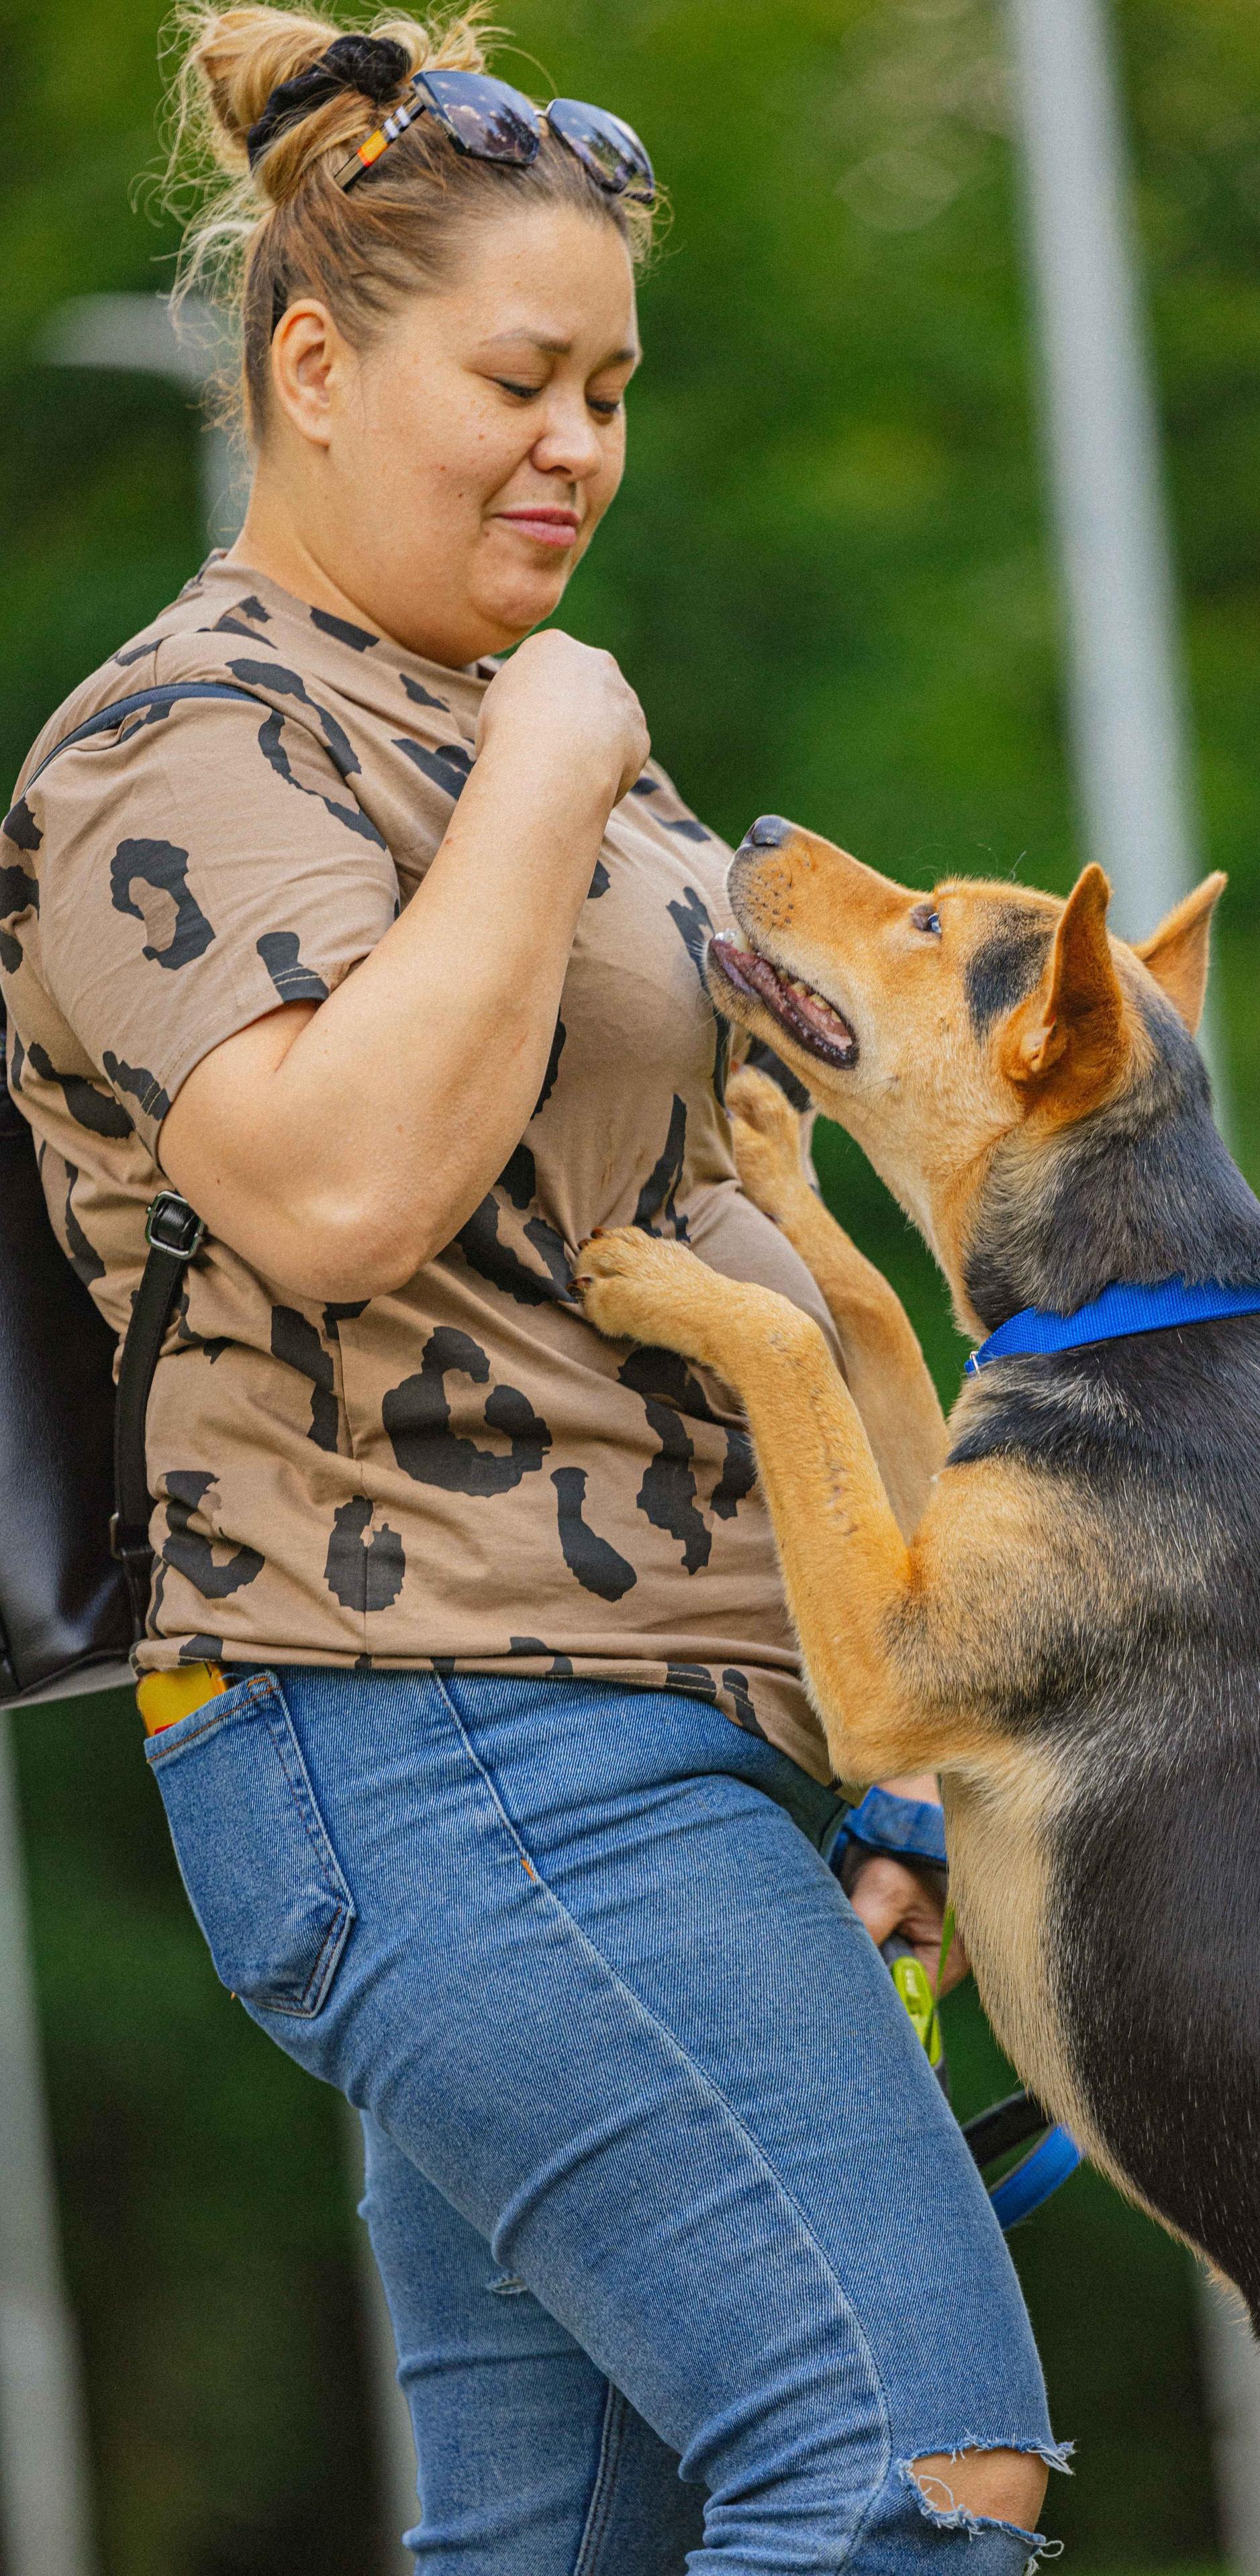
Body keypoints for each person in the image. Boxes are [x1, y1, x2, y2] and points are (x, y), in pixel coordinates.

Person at [1, 9, 1061, 2569]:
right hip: (445, 1741)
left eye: (610, 387)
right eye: (520, 379)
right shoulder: (183, 744)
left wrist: (903, 1748)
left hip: (680, 1743)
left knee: (585, 2541)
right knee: (910, 2470)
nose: (580, 446)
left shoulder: (507, 720)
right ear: (316, 361)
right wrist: (561, 763)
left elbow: (769, 1227)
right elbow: (344, 1189)